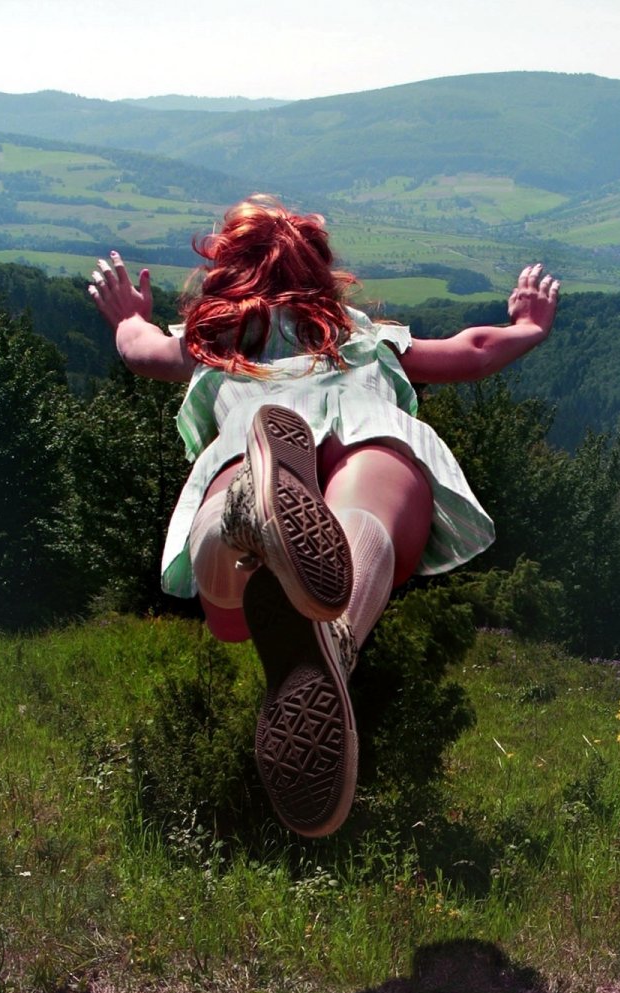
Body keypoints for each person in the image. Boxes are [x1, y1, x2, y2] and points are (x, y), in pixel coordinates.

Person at [89, 196, 559, 837]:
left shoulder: (212, 339)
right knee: (371, 517)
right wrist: (528, 326)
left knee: (229, 612)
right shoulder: (360, 335)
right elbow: (473, 351)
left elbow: (140, 350)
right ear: (316, 272)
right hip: (370, 425)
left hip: (256, 436)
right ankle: (336, 642)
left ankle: (238, 520)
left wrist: (127, 316)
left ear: (227, 272)